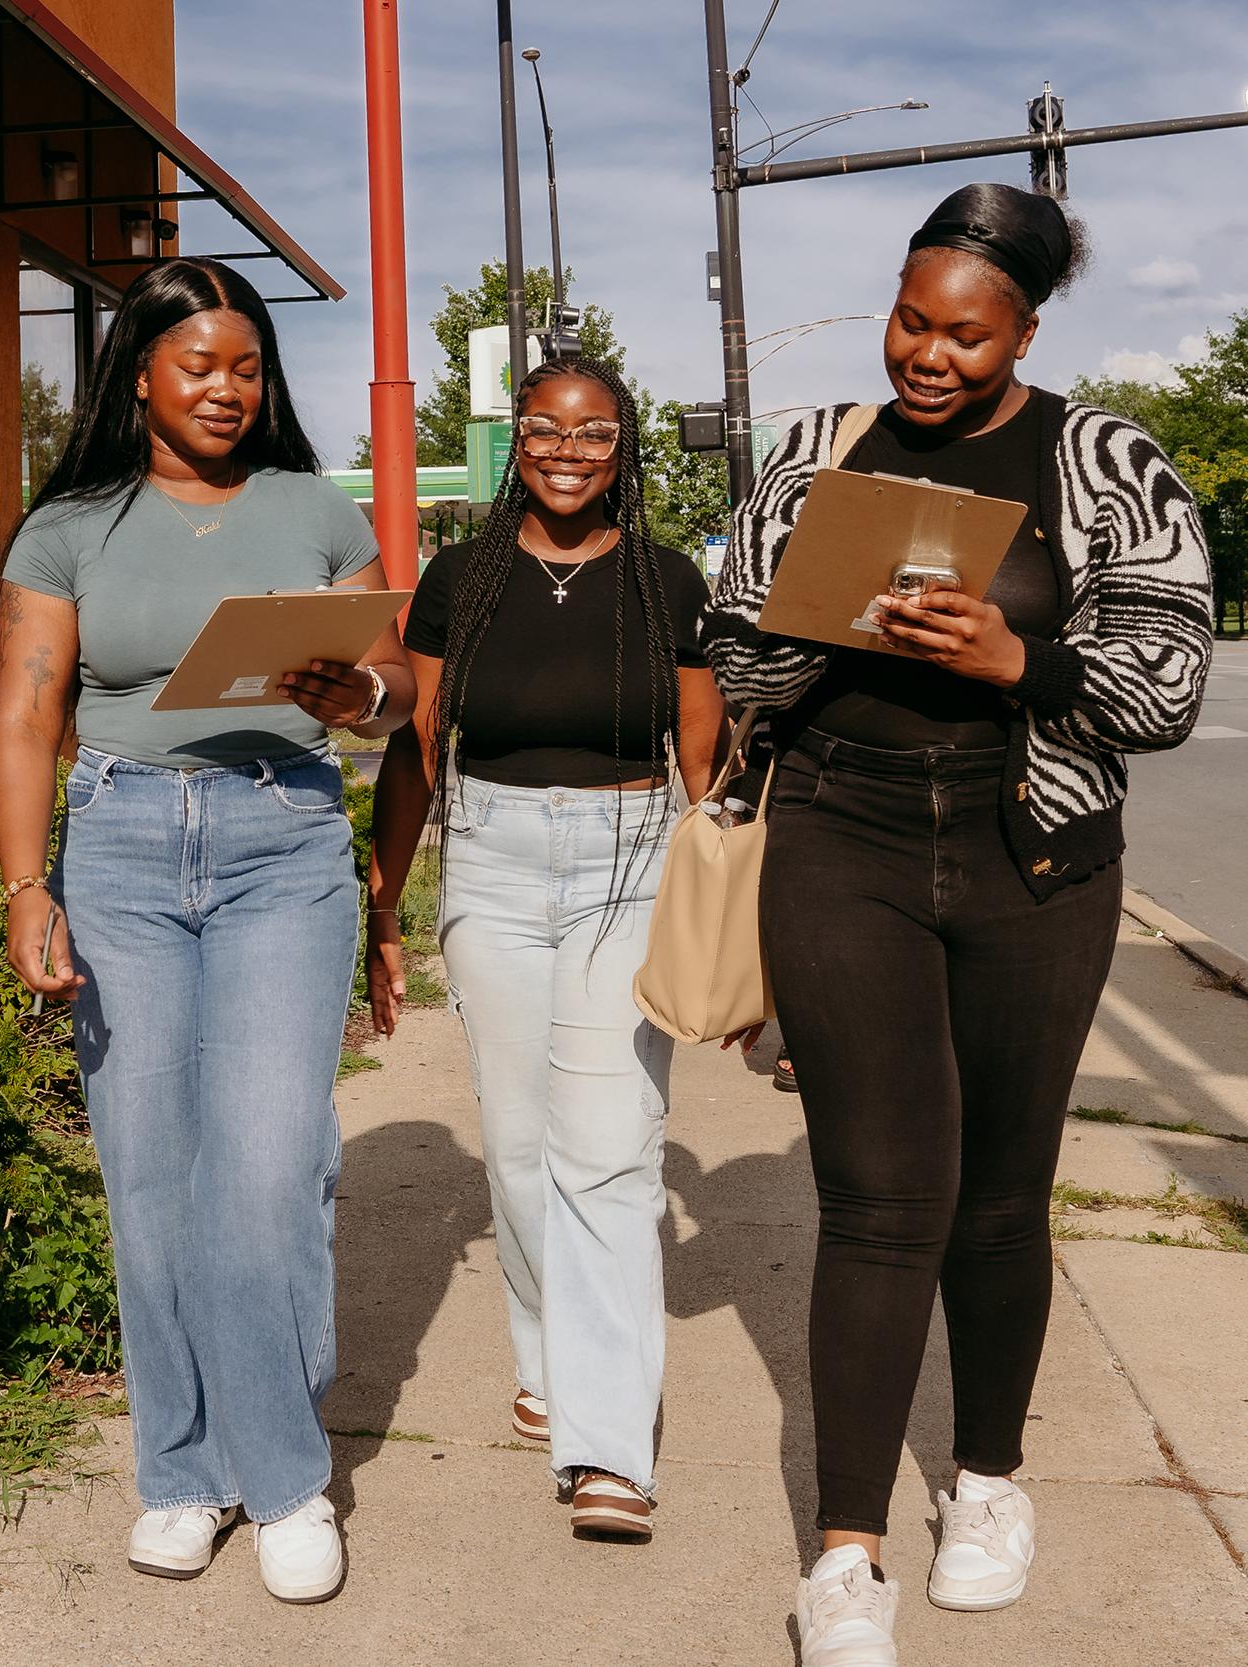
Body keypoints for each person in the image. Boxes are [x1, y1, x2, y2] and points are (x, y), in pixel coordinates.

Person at [700, 184, 1212, 1664]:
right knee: (874, 1198)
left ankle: (986, 1479)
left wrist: (1014, 654)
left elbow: (1166, 682)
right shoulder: (816, 450)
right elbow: (728, 637)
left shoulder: (1103, 456)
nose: (928, 354)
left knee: (999, 1192)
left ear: (1025, 332)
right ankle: (846, 1549)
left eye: (966, 335)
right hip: (840, 836)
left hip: (1030, 854)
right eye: (912, 321)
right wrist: (816, 621)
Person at [0, 258, 415, 1604]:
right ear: (141, 374)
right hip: (116, 843)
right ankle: (182, 1468)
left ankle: (285, 1475)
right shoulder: (69, 525)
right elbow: (23, 712)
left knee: (272, 1159)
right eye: (199, 366)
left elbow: (400, 693)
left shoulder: (311, 506)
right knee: (152, 1172)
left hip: (282, 839)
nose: (228, 388)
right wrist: (24, 884)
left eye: (246, 366)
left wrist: (360, 692)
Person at [365, 356, 727, 1540]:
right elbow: (415, 750)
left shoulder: (668, 582)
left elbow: (703, 769)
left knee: (611, 1150)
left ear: (624, 450)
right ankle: (547, 1356)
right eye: (546, 429)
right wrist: (383, 903)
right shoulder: (457, 581)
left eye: (596, 433)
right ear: (515, 438)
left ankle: (610, 1446)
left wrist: (720, 912)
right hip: (492, 855)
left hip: (629, 858)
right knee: (519, 1147)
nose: (569, 450)